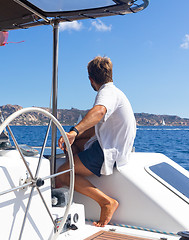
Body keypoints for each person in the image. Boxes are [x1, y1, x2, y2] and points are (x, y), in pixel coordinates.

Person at [57, 56, 136, 227]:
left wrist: (75, 131)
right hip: (114, 145)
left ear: (91, 79)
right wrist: (75, 135)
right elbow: (99, 126)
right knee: (75, 142)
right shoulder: (116, 92)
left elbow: (99, 112)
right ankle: (75, 168)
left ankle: (106, 202)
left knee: (62, 173)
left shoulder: (106, 93)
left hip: (108, 150)